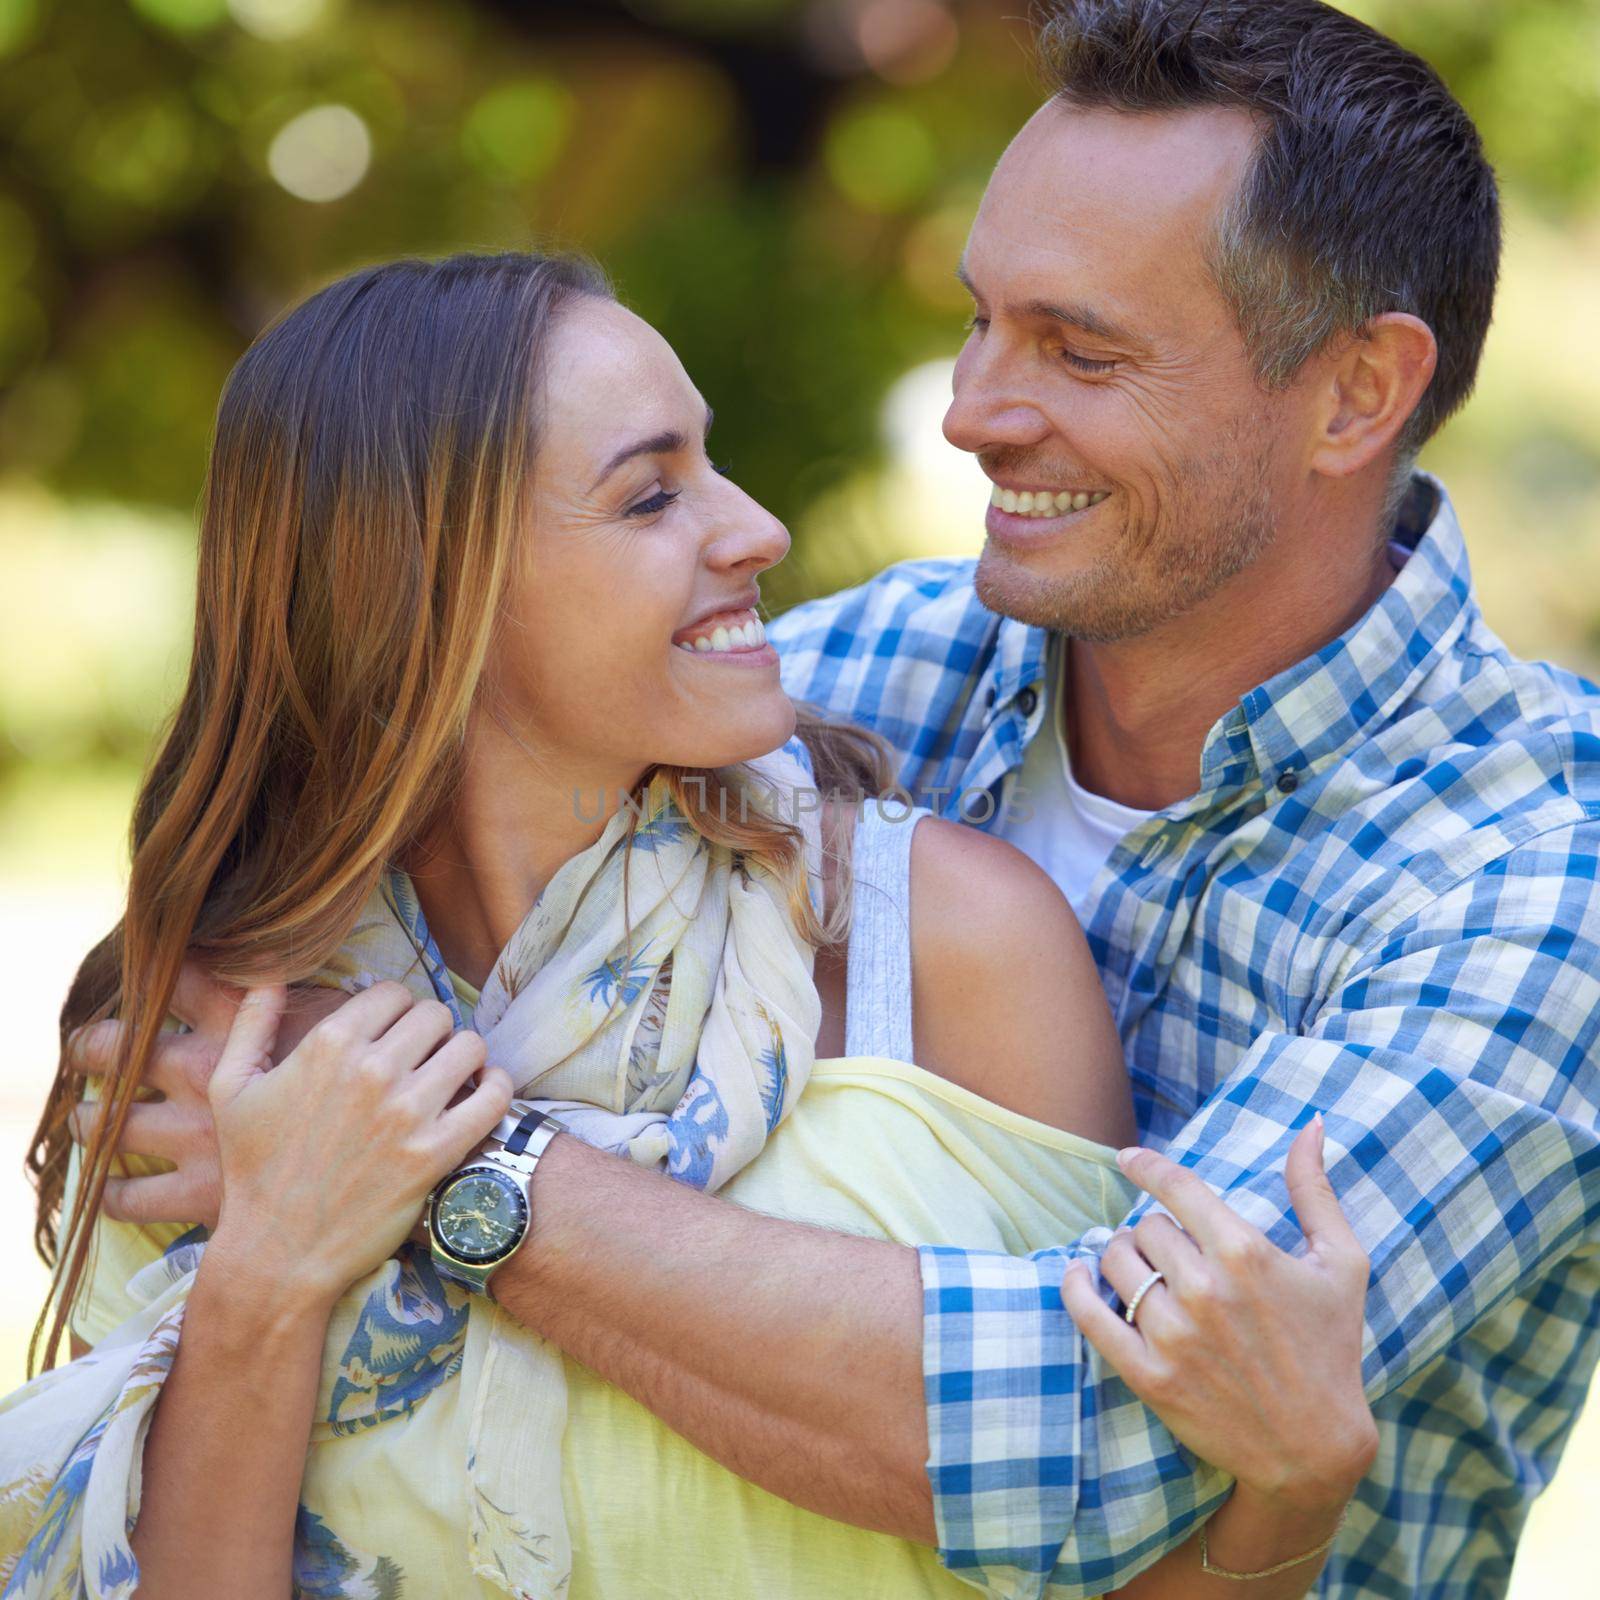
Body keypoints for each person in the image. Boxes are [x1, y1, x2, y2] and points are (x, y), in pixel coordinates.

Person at [24, 0, 1600, 1594]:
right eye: (982, 319)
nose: (976, 408)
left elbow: (1096, 1448)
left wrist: (424, 1170)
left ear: (1354, 397)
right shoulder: (875, 672)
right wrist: (220, 1032)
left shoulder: (1535, 885)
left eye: (1080, 347)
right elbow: (478, 702)